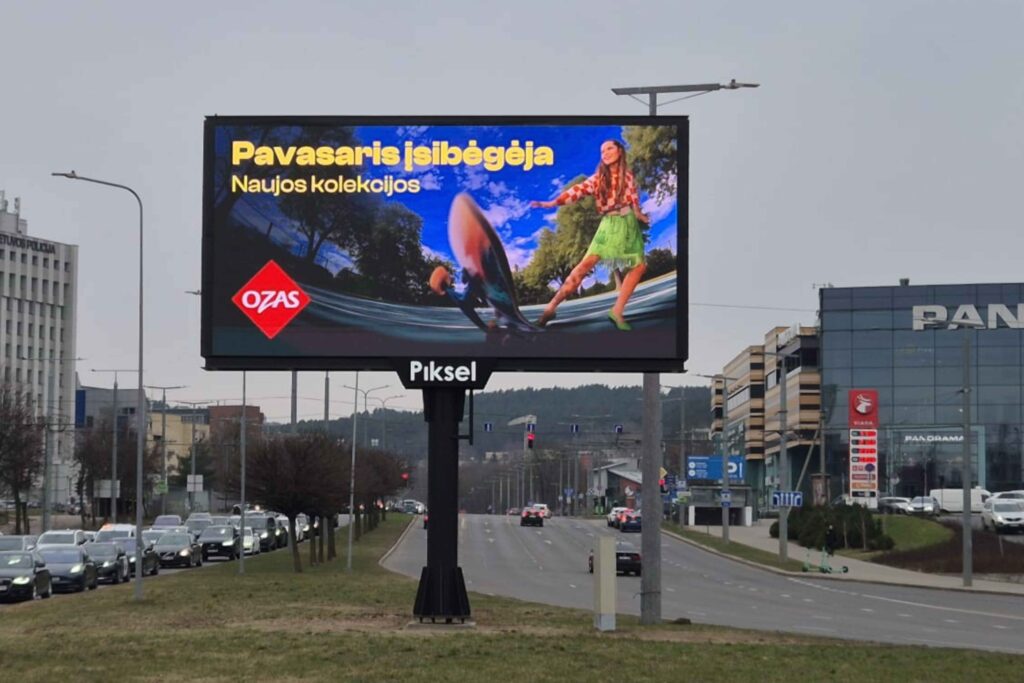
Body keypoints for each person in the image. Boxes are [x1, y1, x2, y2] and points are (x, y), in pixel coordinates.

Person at [530, 139, 650, 331]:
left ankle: (617, 311)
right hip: (609, 224)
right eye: (602, 151)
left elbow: (633, 199)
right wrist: (552, 203)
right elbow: (576, 191)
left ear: (620, 151)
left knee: (639, 266)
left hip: (628, 224)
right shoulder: (598, 179)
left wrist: (639, 215)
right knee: (584, 266)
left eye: (609, 148)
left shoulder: (628, 176)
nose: (605, 153)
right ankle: (550, 308)